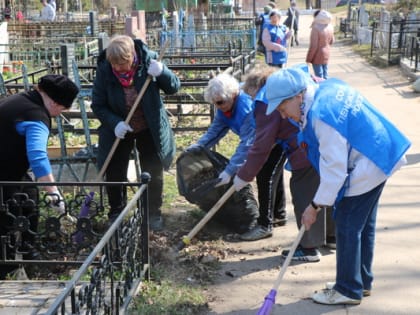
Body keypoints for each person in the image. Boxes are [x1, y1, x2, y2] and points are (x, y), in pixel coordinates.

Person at [265, 68, 410, 305]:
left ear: (297, 97)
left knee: (347, 224)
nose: (283, 116)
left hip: (369, 161)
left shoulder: (322, 115)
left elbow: (335, 170)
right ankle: (361, 281)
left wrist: (314, 206)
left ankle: (348, 289)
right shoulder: (325, 89)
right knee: (363, 225)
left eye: (282, 109)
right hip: (380, 151)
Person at [234, 65, 335, 261]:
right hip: (322, 142)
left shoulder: (265, 102)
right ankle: (332, 236)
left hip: (303, 148)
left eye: (250, 95)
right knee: (327, 186)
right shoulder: (289, 83)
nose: (251, 99)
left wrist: (243, 176)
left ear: (256, 88)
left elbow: (260, 146)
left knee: (303, 191)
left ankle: (308, 247)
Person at [91, 35, 181, 232]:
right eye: (114, 64)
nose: (118, 68)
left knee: (152, 170)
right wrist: (115, 123)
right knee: (115, 170)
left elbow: (174, 87)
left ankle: (152, 213)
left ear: (132, 56)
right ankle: (117, 212)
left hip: (149, 126)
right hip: (119, 129)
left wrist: (162, 73)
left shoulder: (150, 62)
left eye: (122, 64)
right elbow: (97, 104)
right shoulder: (105, 70)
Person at [0, 74, 79, 279]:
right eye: (62, 109)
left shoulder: (20, 99)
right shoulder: (36, 115)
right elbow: (38, 157)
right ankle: (7, 270)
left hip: (10, 170)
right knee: (6, 218)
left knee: (29, 198)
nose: (60, 114)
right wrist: (53, 193)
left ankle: (28, 253)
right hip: (4, 175)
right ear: (53, 101)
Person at [306, 10, 335, 79]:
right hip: (327, 52)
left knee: (319, 76)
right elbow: (332, 41)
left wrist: (309, 59)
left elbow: (314, 46)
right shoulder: (330, 26)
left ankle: (321, 88)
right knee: (325, 75)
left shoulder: (316, 28)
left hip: (317, 54)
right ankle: (327, 88)